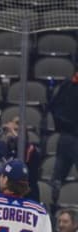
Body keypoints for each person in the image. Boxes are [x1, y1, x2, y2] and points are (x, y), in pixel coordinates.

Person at [47, 66, 78, 204]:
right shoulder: (67, 86)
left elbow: (54, 107)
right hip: (69, 137)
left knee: (57, 178)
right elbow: (54, 107)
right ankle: (53, 206)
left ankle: (53, 204)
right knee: (57, 179)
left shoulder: (66, 85)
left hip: (66, 136)